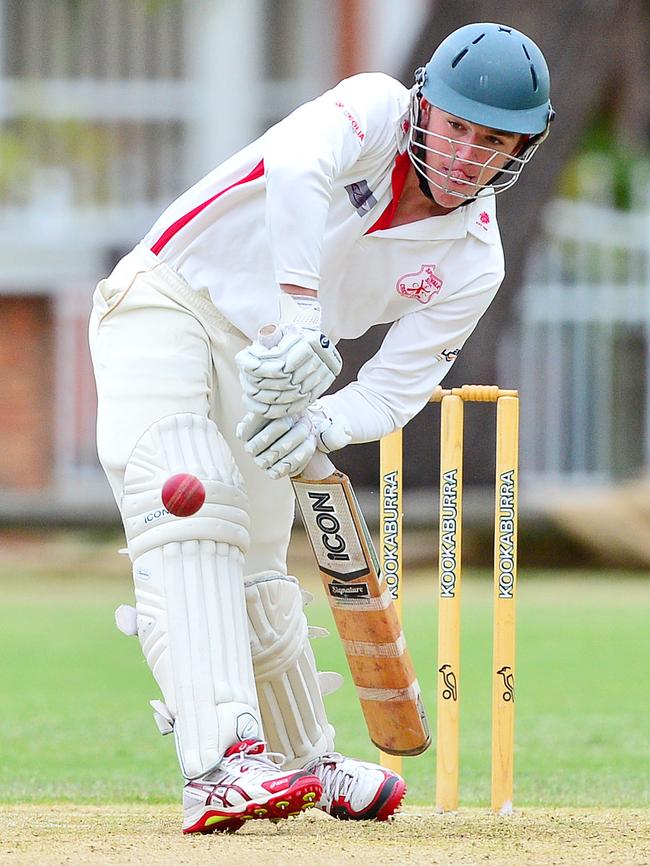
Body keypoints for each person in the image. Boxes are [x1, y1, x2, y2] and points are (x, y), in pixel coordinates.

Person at [89, 22, 552, 834]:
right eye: (458, 128)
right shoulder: (370, 110)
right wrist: (303, 312)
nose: (468, 155)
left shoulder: (475, 261)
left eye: (494, 142)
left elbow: (393, 389)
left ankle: (303, 761)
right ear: (424, 110)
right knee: (189, 500)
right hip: (169, 297)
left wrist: (318, 426)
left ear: (522, 149)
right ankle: (221, 764)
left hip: (270, 366)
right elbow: (297, 171)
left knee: (260, 559)